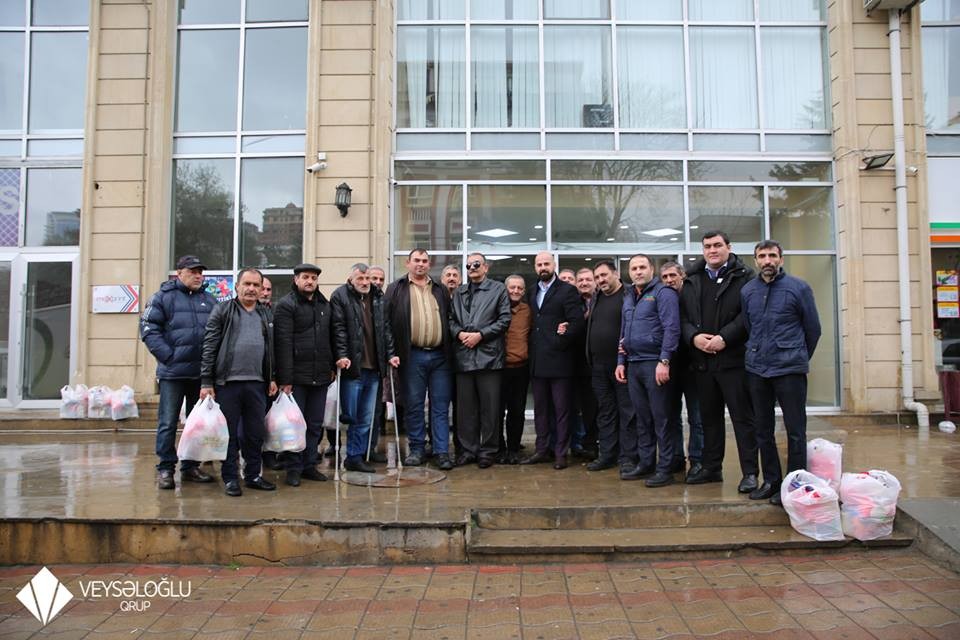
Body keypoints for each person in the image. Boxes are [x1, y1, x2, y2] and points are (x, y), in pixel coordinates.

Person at [741, 240, 821, 505]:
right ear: (755, 261)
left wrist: (797, 356)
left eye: (772, 255)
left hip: (789, 369)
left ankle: (795, 483)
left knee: (795, 429)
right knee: (762, 429)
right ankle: (771, 480)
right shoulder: (748, 290)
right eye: (762, 256)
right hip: (757, 370)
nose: (767, 261)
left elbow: (813, 329)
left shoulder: (798, 288)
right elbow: (749, 326)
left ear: (781, 259)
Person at [679, 230, 759, 493]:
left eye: (717, 245)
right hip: (702, 362)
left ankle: (750, 472)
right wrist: (693, 338)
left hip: (733, 361)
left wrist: (725, 337)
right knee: (709, 419)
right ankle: (712, 468)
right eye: (707, 246)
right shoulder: (692, 279)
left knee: (742, 419)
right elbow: (683, 318)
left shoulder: (745, 277)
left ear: (728, 247)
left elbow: (748, 315)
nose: (712, 250)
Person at [140, 255, 218, 490]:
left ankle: (190, 466)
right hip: (173, 374)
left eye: (200, 272)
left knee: (196, 424)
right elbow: (148, 329)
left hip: (200, 376)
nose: (198, 276)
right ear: (179, 272)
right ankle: (165, 468)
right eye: (193, 271)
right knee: (168, 422)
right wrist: (169, 356)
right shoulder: (162, 298)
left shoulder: (209, 300)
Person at [200, 268, 277, 497]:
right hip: (227, 383)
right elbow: (210, 346)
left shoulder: (265, 314)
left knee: (254, 433)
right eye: (248, 284)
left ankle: (253, 475)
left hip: (257, 384)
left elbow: (272, 349)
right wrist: (206, 381)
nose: (252, 289)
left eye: (257, 285)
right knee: (230, 434)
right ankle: (231, 478)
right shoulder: (222, 311)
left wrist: (272, 377)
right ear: (237, 286)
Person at [384, 249, 455, 470]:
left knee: (440, 406)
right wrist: (391, 352)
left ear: (429, 264)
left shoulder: (441, 289)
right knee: (414, 405)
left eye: (425, 261)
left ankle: (441, 451)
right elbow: (385, 324)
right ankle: (416, 449)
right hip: (411, 355)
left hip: (440, 356)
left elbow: (450, 319)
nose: (421, 264)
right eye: (416, 261)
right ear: (408, 263)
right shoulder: (395, 289)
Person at [615, 254, 680, 487]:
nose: (638, 271)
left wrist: (664, 361)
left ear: (651, 269)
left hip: (655, 364)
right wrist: (621, 361)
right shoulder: (629, 297)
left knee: (661, 418)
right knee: (642, 418)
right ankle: (646, 463)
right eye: (633, 268)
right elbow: (623, 333)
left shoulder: (664, 294)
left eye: (642, 267)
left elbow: (672, 329)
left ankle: (665, 469)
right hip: (633, 364)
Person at [331, 263, 400, 473]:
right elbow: (338, 328)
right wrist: (341, 355)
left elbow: (386, 328)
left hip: (374, 367)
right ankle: (352, 454)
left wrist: (390, 354)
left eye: (367, 278)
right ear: (351, 279)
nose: (365, 282)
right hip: (353, 367)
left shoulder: (379, 297)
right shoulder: (340, 296)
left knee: (366, 417)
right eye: (360, 278)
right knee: (351, 415)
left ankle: (355, 456)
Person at [520, 251, 584, 470]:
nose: (543, 267)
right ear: (535, 267)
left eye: (546, 263)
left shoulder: (568, 291)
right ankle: (541, 449)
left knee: (562, 410)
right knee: (541, 409)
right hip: (537, 362)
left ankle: (560, 453)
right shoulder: (531, 291)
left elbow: (576, 323)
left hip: (560, 361)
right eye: (539, 264)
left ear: (554, 265)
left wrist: (560, 340)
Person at [448, 253, 511, 467]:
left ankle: (488, 450)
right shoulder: (459, 292)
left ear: (486, 267)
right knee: (466, 410)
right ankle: (468, 450)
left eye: (476, 264)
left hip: (489, 358)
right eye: (468, 265)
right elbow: (450, 319)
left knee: (490, 408)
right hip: (463, 357)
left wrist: (481, 335)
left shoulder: (498, 289)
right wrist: (458, 334)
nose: (472, 268)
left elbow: (505, 319)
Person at [273, 263, 332, 487]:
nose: (310, 281)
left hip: (320, 375)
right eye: (306, 277)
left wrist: (330, 366)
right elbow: (283, 344)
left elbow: (329, 337)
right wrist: (285, 380)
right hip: (296, 378)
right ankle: (293, 468)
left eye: (314, 278)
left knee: (314, 424)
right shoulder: (286, 305)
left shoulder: (323, 304)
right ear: (296, 279)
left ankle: (309, 465)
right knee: (294, 426)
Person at [585, 259, 634, 472]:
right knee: (605, 411)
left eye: (604, 275)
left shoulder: (629, 295)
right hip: (598, 365)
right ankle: (607, 454)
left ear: (615, 274)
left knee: (628, 412)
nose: (600, 280)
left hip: (623, 365)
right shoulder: (597, 298)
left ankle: (628, 457)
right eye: (597, 278)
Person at [660, 261, 704, 478]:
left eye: (672, 276)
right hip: (669, 366)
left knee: (696, 417)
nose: (669, 280)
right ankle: (676, 458)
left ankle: (697, 459)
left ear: (682, 276)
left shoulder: (692, 297)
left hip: (693, 366)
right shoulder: (661, 300)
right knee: (670, 416)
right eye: (665, 277)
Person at [497, 275, 531, 464]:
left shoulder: (528, 311)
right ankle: (499, 448)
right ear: (505, 288)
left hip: (521, 368)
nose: (516, 291)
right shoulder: (497, 309)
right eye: (512, 287)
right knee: (497, 411)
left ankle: (513, 449)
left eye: (520, 288)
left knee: (517, 411)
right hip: (500, 368)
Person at [570, 267, 599, 459]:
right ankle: (588, 445)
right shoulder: (573, 303)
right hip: (579, 365)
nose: (584, 283)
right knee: (586, 408)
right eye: (580, 280)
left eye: (588, 279)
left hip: (602, 363)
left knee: (604, 407)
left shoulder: (604, 300)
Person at [367, 265, 389, 464]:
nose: (377, 282)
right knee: (359, 412)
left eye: (381, 279)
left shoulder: (384, 301)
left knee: (375, 411)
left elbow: (388, 332)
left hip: (378, 366)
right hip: (358, 367)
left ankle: (371, 448)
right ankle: (357, 451)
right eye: (374, 278)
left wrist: (391, 355)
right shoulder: (356, 299)